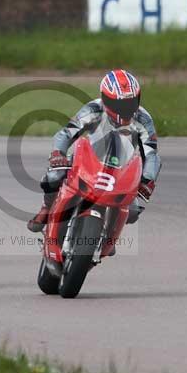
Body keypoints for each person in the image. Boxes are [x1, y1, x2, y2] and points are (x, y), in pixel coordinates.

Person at [27, 69, 161, 251]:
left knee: (134, 211)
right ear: (105, 98)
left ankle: (108, 233)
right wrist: (58, 153)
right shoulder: (93, 109)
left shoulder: (144, 119)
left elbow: (151, 153)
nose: (125, 108)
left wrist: (147, 179)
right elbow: (67, 133)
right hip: (86, 160)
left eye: (130, 102)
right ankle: (47, 208)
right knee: (53, 177)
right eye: (117, 103)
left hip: (120, 168)